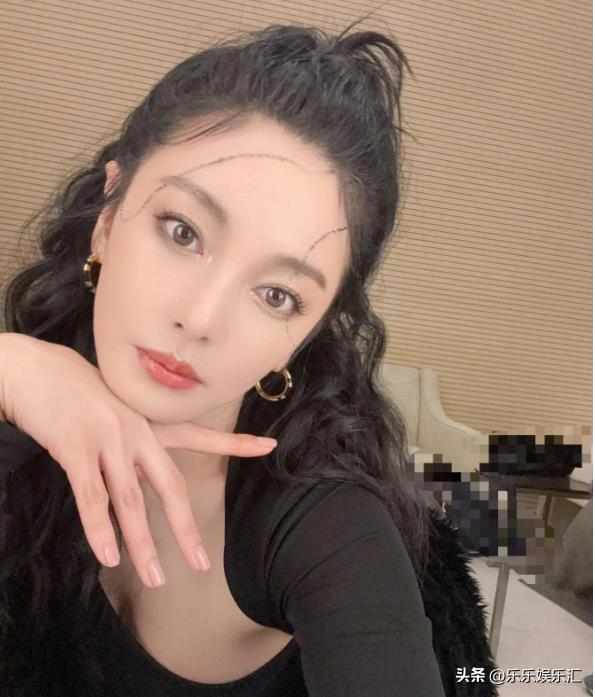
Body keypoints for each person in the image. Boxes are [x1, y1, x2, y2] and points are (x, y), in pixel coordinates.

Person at [0, 21, 495, 696]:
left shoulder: (322, 521)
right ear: (109, 217)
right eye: (182, 232)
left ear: (310, 331)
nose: (200, 319)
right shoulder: (23, 402)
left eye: (276, 294)